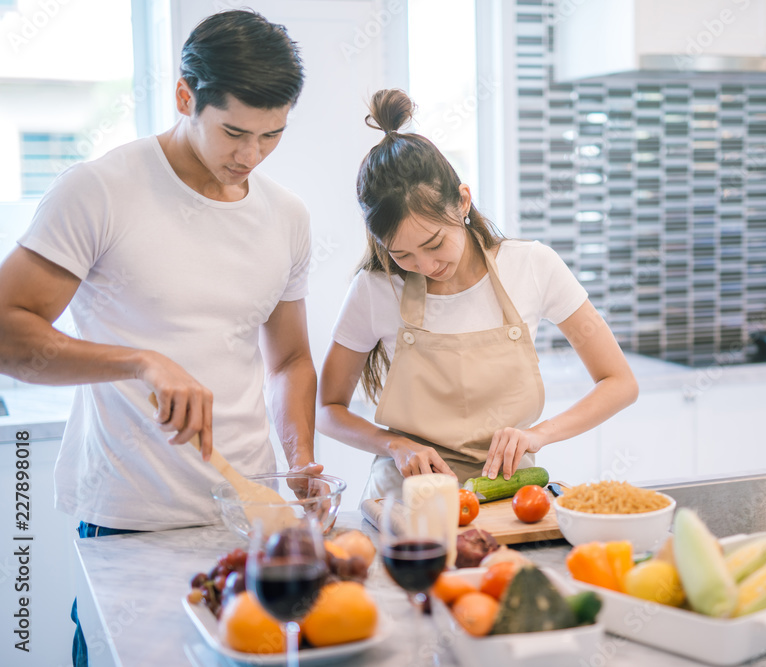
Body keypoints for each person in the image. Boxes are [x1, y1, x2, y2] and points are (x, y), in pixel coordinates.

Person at [0, 11, 321, 666]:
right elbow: (9, 331)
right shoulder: (99, 191)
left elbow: (288, 357)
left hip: (246, 515)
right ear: (185, 97)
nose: (251, 156)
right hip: (129, 519)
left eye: (272, 135)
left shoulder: (286, 216)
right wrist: (144, 362)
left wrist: (301, 459)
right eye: (234, 132)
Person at [317, 89, 638, 499]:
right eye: (402, 255)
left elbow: (620, 382)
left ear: (462, 201)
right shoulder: (374, 289)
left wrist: (538, 435)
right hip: (407, 492)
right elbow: (328, 409)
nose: (426, 266)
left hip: (506, 487)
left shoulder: (533, 266)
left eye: (434, 244)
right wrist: (395, 444)